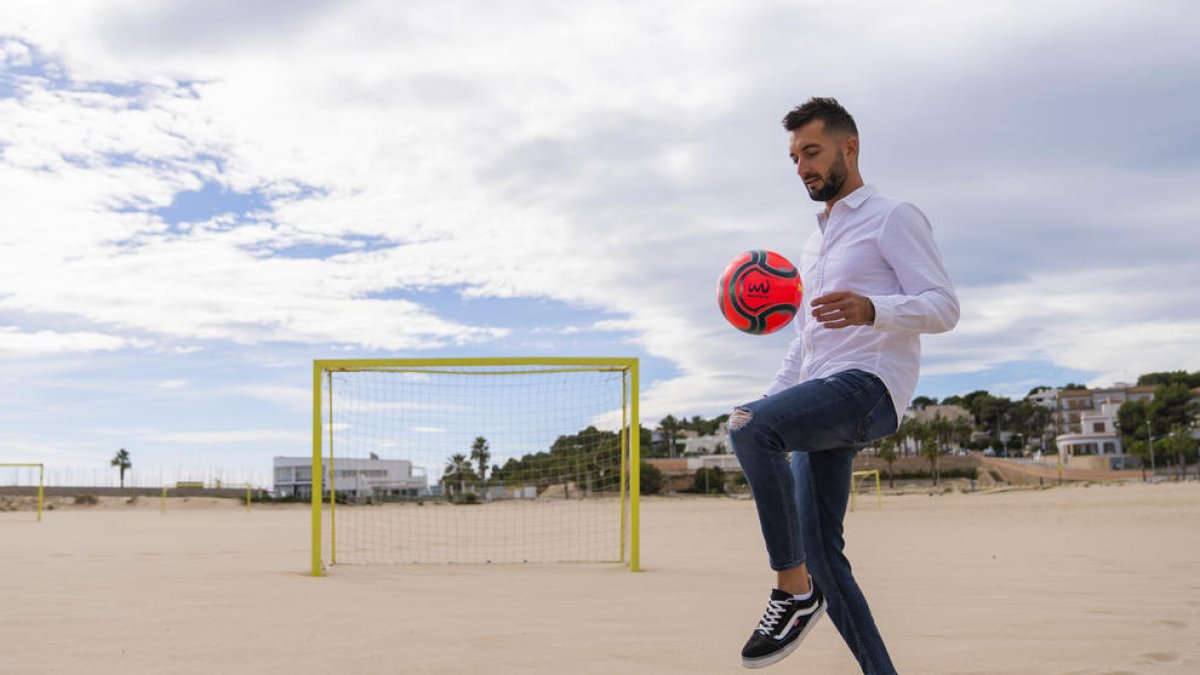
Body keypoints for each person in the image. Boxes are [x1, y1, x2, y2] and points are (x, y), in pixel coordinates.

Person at [729, 97, 959, 673]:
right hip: (826, 392)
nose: (803, 166)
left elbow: (943, 307)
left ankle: (791, 591)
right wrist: (773, 399)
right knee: (824, 557)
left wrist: (871, 308)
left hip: (870, 389)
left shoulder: (892, 216)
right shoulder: (816, 242)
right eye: (794, 158)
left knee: (752, 431)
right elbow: (805, 342)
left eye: (812, 152)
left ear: (848, 148)